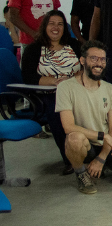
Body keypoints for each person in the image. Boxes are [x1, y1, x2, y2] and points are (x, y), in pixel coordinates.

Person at [57, 40, 112, 194]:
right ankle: (81, 173)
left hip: (106, 144)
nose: (99, 63)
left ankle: (103, 166)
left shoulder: (109, 89)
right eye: (94, 58)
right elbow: (68, 126)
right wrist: (103, 136)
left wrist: (102, 157)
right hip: (86, 143)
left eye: (102, 59)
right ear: (82, 60)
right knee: (74, 138)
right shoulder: (65, 87)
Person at [21, 10, 82, 173]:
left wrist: (75, 80)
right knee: (58, 110)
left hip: (77, 90)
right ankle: (70, 159)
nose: (56, 27)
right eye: (52, 23)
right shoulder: (34, 49)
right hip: (48, 95)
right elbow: (28, 77)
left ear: (65, 27)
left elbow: (85, 67)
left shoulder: (74, 45)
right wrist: (55, 82)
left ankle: (92, 153)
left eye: (60, 24)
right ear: (44, 26)